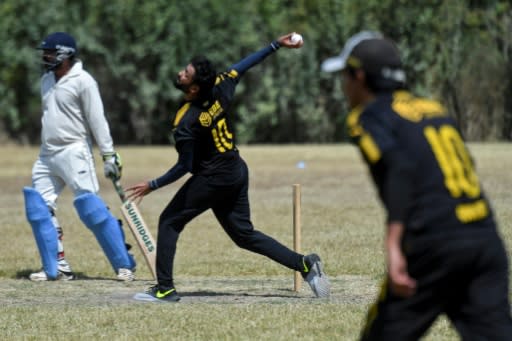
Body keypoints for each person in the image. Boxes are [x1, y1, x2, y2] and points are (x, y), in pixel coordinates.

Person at [321, 31, 512, 340]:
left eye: (345, 75)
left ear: (359, 76)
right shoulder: (433, 109)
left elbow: (401, 168)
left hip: (434, 246)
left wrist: (394, 245)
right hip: (484, 239)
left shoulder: (367, 117)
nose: (343, 85)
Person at [127, 32, 330, 302]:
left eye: (185, 73)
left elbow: (184, 166)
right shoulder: (221, 85)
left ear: (194, 88)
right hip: (235, 170)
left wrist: (152, 185)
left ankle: (164, 289)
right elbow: (245, 65)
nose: (180, 73)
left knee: (169, 221)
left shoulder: (187, 121)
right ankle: (305, 264)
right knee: (244, 235)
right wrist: (275, 45)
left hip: (214, 177)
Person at [24, 32, 136, 281]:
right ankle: (57, 266)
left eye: (50, 52)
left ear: (65, 54)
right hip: (47, 153)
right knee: (39, 208)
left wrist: (108, 155)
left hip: (74, 151)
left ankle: (123, 264)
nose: (45, 56)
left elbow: (97, 120)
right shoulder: (46, 80)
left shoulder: (84, 81)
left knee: (90, 207)